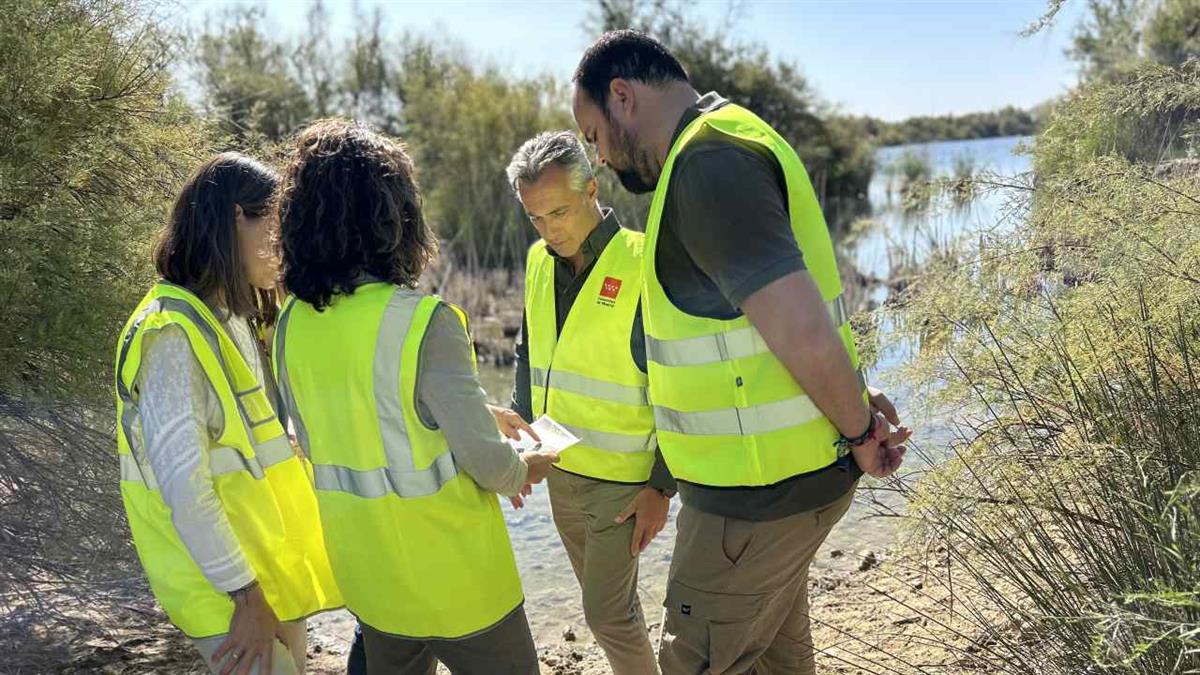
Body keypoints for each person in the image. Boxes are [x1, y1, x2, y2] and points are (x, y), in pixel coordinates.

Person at [571, 31, 912, 675]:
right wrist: (854, 412)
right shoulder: (734, 137)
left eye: (594, 135)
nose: (599, 161)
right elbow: (777, 322)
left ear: (622, 96)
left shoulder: (708, 165)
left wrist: (863, 429)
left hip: (754, 504)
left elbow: (802, 330)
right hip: (786, 484)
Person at [272, 118, 557, 675]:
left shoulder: (290, 325)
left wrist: (478, 412)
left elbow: (340, 429)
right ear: (394, 215)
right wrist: (528, 468)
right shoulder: (425, 323)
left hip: (372, 582)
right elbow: (487, 464)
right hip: (462, 584)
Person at [113, 153, 341, 675]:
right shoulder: (170, 334)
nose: (284, 251)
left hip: (257, 565)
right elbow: (185, 487)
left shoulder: (228, 314)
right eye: (276, 229)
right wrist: (246, 598)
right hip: (219, 583)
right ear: (238, 217)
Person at [499, 130, 672, 675]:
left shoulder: (646, 262)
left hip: (624, 484)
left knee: (607, 615)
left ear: (593, 190)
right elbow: (530, 354)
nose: (550, 230)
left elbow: (680, 385)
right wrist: (522, 441)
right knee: (614, 608)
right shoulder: (536, 261)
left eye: (560, 212)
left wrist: (662, 486)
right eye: (536, 218)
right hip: (561, 472)